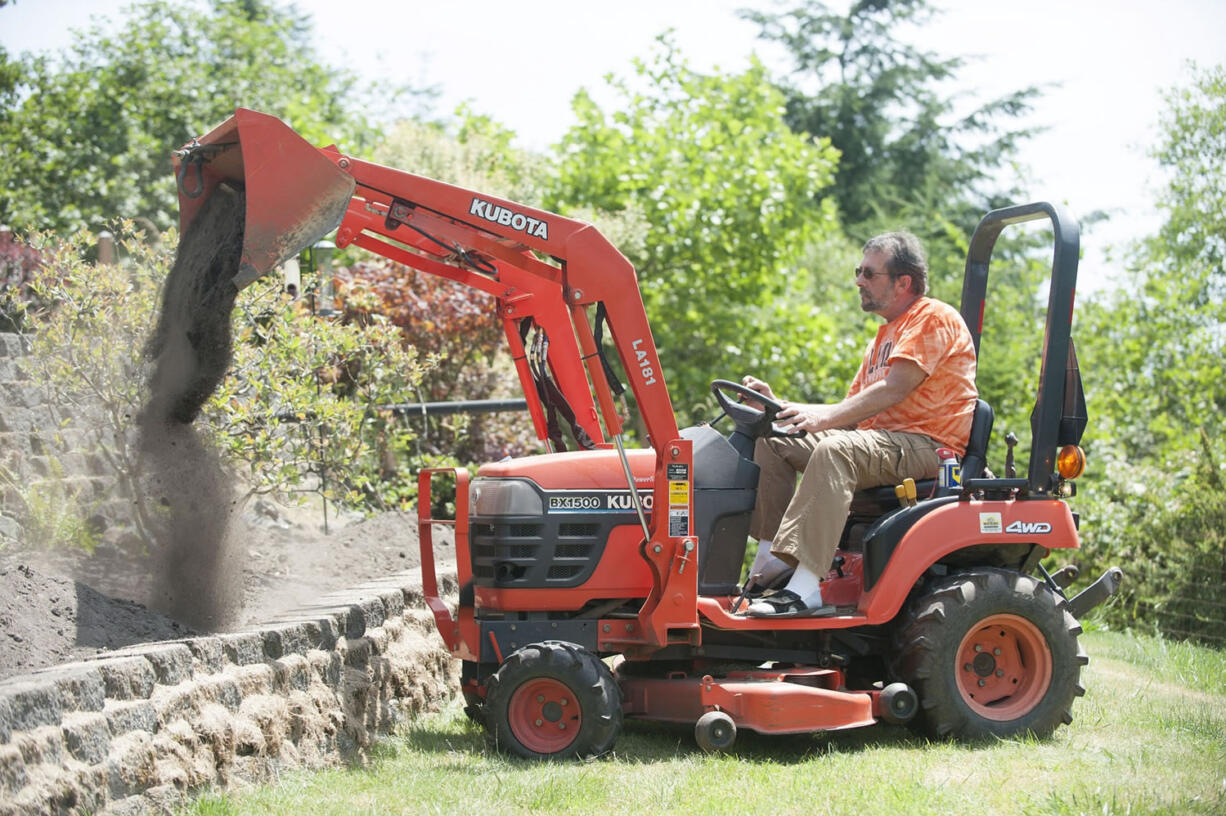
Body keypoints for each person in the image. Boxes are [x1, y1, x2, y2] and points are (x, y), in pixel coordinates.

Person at [741, 232, 977, 617]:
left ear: (904, 282)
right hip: (881, 442)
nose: (859, 282)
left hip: (928, 445)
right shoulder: (883, 336)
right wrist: (780, 406)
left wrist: (824, 420)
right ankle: (771, 561)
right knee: (774, 438)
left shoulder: (932, 318)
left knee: (835, 450)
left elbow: (896, 387)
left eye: (869, 273)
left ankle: (804, 590)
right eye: (859, 271)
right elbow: (850, 408)